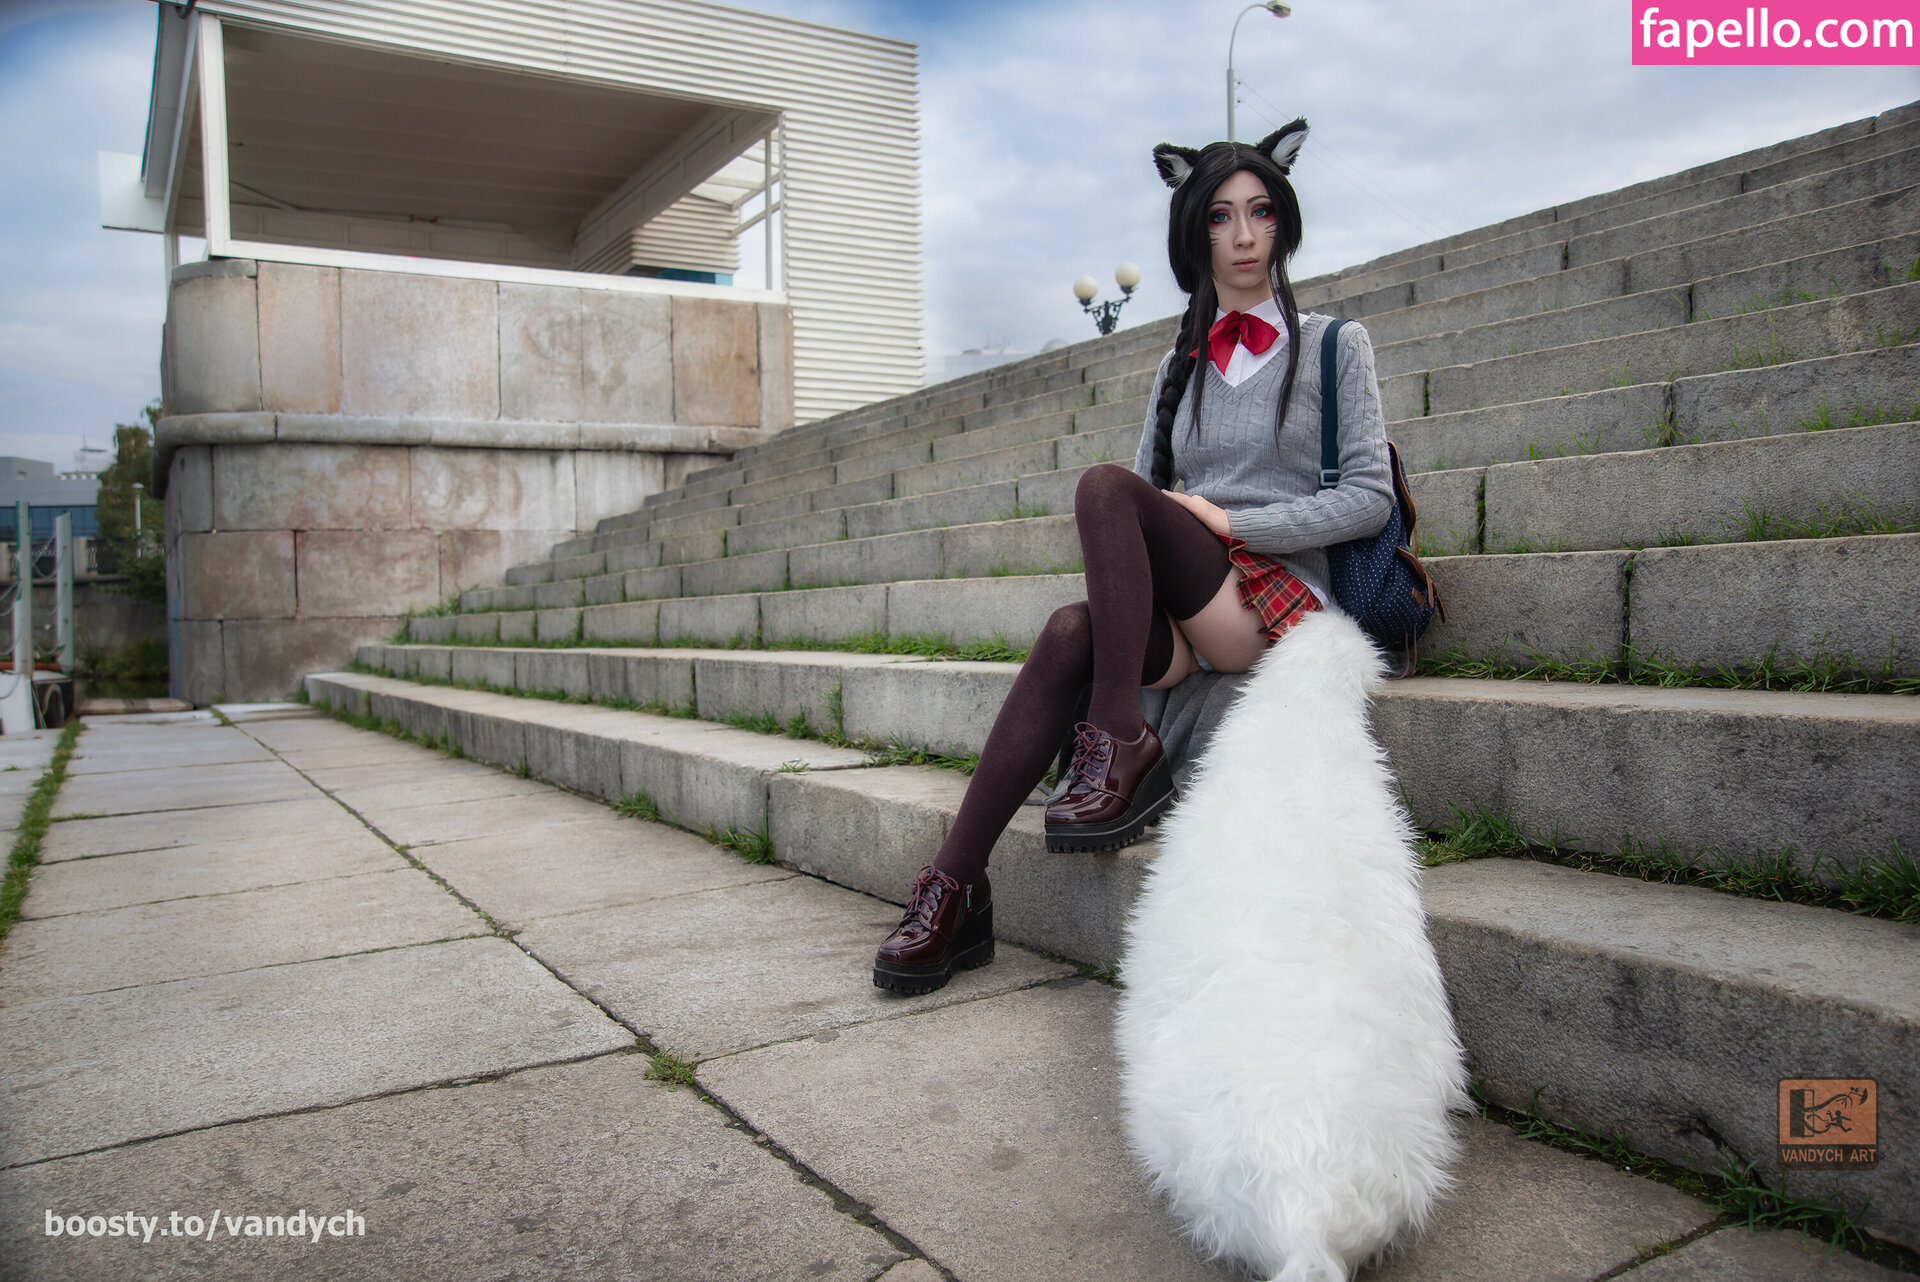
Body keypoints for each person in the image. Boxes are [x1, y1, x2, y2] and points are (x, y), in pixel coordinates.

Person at [872, 118, 1395, 995]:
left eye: (1261, 212)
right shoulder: (1178, 366)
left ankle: (1117, 741)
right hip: (1193, 608)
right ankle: (955, 889)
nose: (1243, 235)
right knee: (1068, 628)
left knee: (1104, 486)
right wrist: (1181, 539)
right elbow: (1139, 516)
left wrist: (1231, 525)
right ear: (1194, 233)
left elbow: (1369, 498)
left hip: (1270, 599)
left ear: (1284, 223)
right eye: (1221, 216)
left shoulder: (1337, 345)